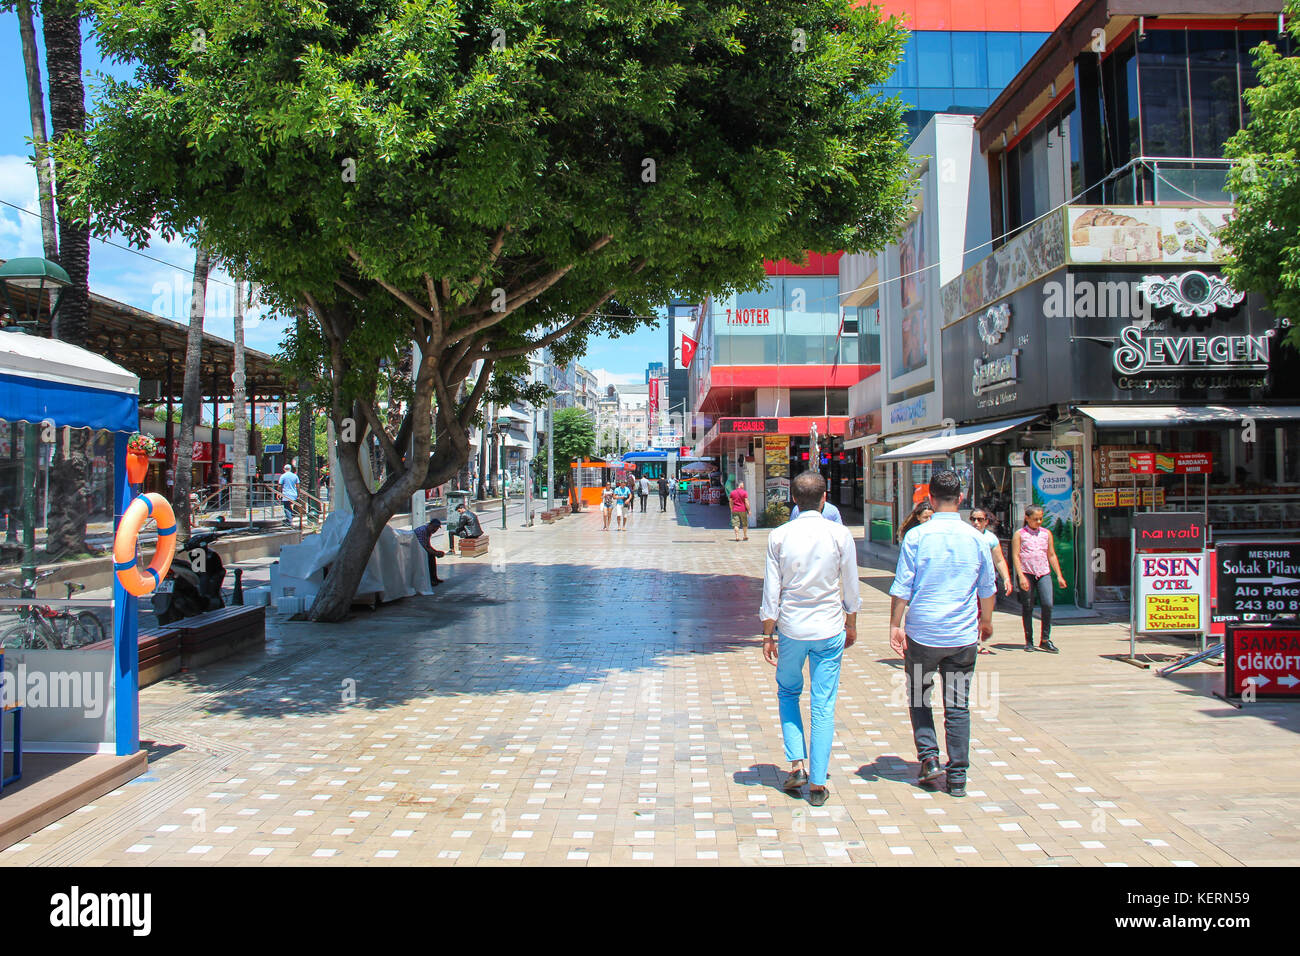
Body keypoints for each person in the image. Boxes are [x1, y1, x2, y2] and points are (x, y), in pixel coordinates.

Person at [888, 470, 995, 798]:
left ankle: (929, 758)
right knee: (958, 705)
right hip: (962, 636)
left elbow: (902, 586)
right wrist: (986, 621)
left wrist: (895, 624)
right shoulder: (977, 537)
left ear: (930, 499)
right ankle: (958, 774)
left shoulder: (917, 537)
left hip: (922, 634)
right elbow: (987, 588)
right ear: (960, 499)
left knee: (920, 696)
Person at [760, 470, 860, 806]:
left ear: (794, 499)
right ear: (824, 497)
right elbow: (851, 585)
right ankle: (818, 781)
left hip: (790, 628)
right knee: (823, 703)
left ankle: (797, 764)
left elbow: (771, 591)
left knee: (788, 691)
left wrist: (767, 634)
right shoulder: (840, 535)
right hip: (830, 628)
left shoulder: (779, 536)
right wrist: (852, 622)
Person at [1011, 505, 1066, 653]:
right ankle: (1029, 640)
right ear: (1027, 518)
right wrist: (1021, 576)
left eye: (1041, 518)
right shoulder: (1020, 534)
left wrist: (1059, 575)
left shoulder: (1046, 533)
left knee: (1047, 604)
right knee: (1028, 606)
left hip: (1043, 572)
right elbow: (1015, 555)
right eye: (1035, 519)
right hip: (1026, 572)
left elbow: (1051, 554)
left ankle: (1045, 639)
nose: (1039, 521)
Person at [970, 508, 1014, 653]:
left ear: (986, 521)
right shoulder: (965, 537)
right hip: (969, 582)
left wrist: (1006, 578)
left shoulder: (991, 539)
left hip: (987, 582)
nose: (976, 522)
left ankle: (978, 640)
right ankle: (973, 642)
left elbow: (999, 560)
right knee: (972, 611)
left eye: (980, 519)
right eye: (973, 519)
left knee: (984, 611)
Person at [413, 518, 445, 586]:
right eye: (434, 527)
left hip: (420, 549)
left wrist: (436, 552)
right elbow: (423, 547)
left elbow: (428, 545)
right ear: (430, 525)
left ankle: (434, 578)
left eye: (437, 528)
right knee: (429, 556)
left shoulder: (429, 532)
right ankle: (429, 580)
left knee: (432, 556)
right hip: (414, 550)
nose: (435, 529)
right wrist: (435, 553)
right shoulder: (422, 530)